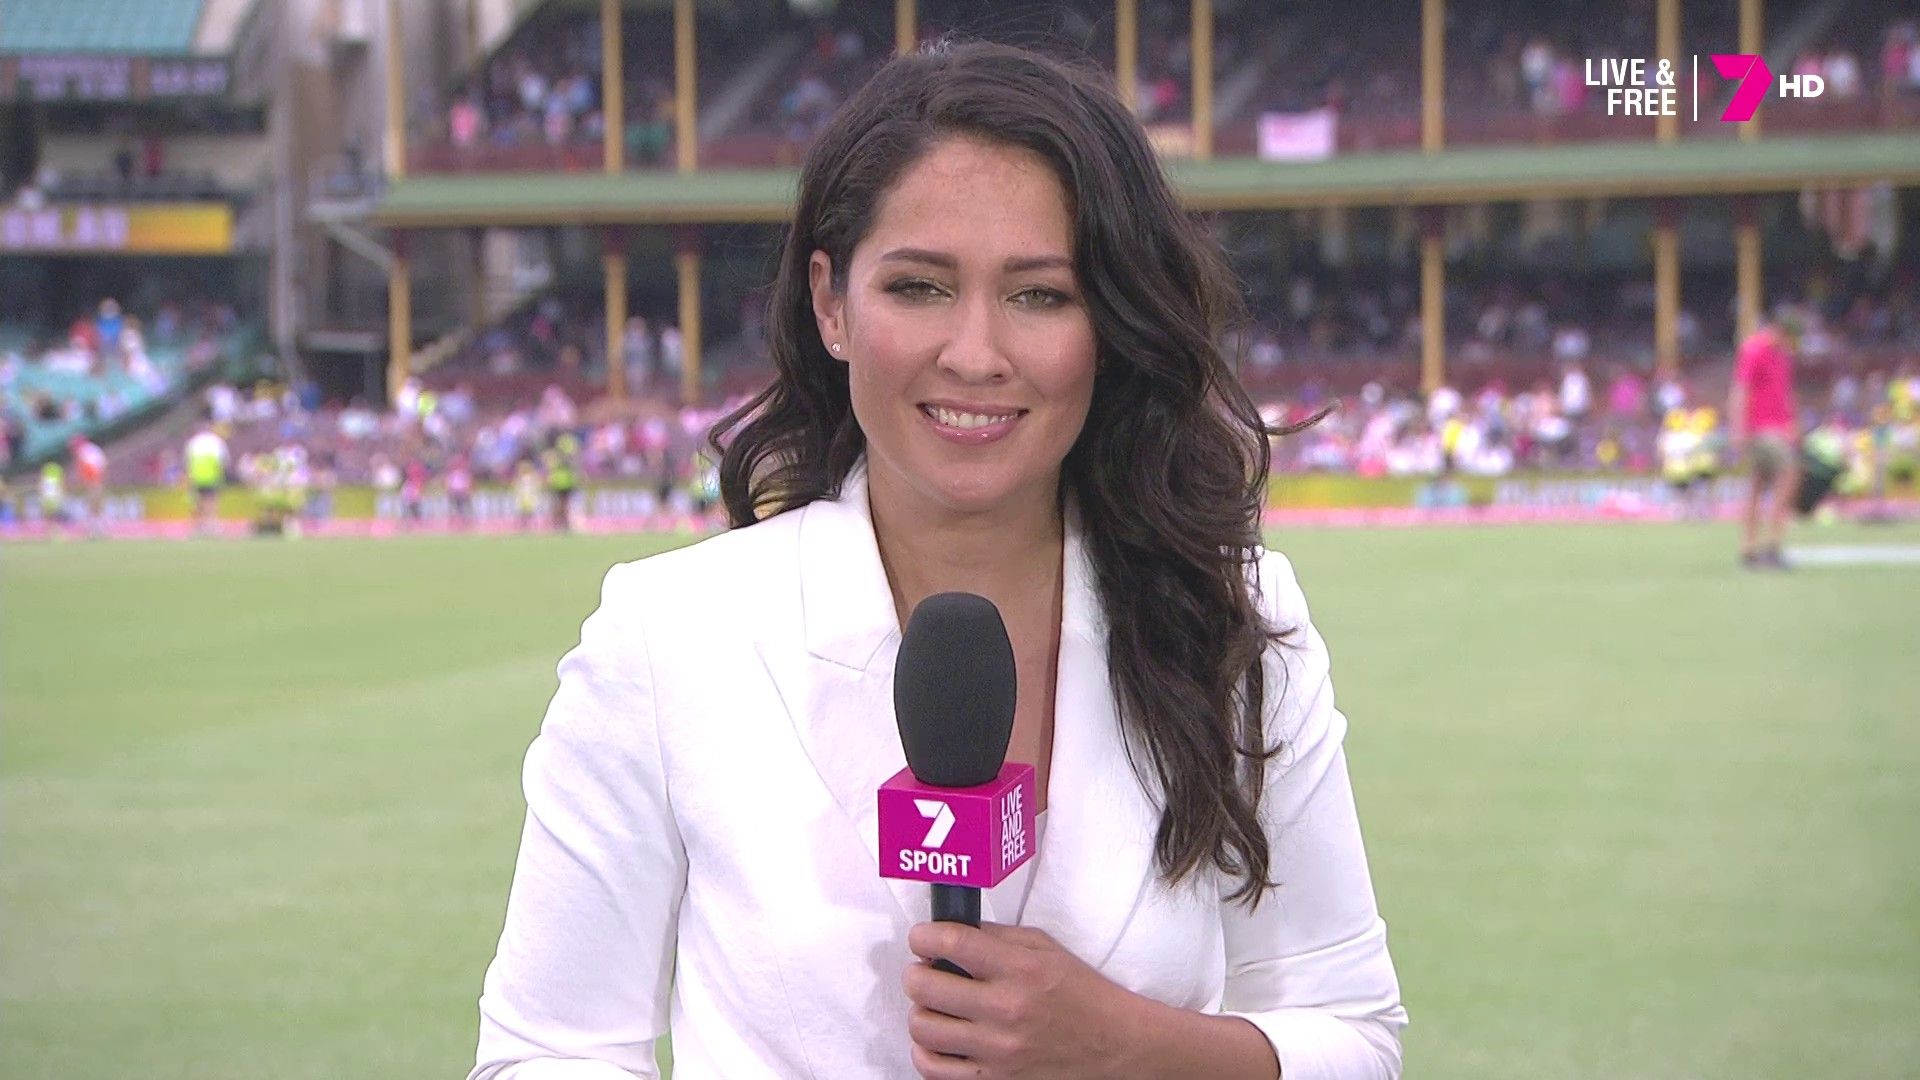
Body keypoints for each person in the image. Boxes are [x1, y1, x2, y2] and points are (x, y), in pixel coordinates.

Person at [470, 42, 1405, 1080]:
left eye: (1039, 296)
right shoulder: (669, 636)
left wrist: (1124, 1046)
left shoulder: (1231, 617)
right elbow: (543, 1054)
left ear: (1109, 323)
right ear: (832, 303)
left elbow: (1355, 1034)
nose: (975, 353)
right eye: (918, 287)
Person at [1728, 310, 1802, 569]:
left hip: (1778, 429)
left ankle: (1749, 548)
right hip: (1760, 429)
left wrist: (1792, 422)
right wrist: (1737, 428)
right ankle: (1772, 545)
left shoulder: (1783, 356)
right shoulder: (1754, 350)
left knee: (1758, 484)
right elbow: (1741, 389)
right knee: (1789, 474)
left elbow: (1785, 392)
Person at [184, 421, 229, 536]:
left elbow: (187, 462)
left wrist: (188, 477)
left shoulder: (193, 442)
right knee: (211, 502)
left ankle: (197, 527)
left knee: (197, 503)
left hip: (196, 477)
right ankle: (212, 526)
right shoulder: (216, 441)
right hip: (211, 477)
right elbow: (223, 461)